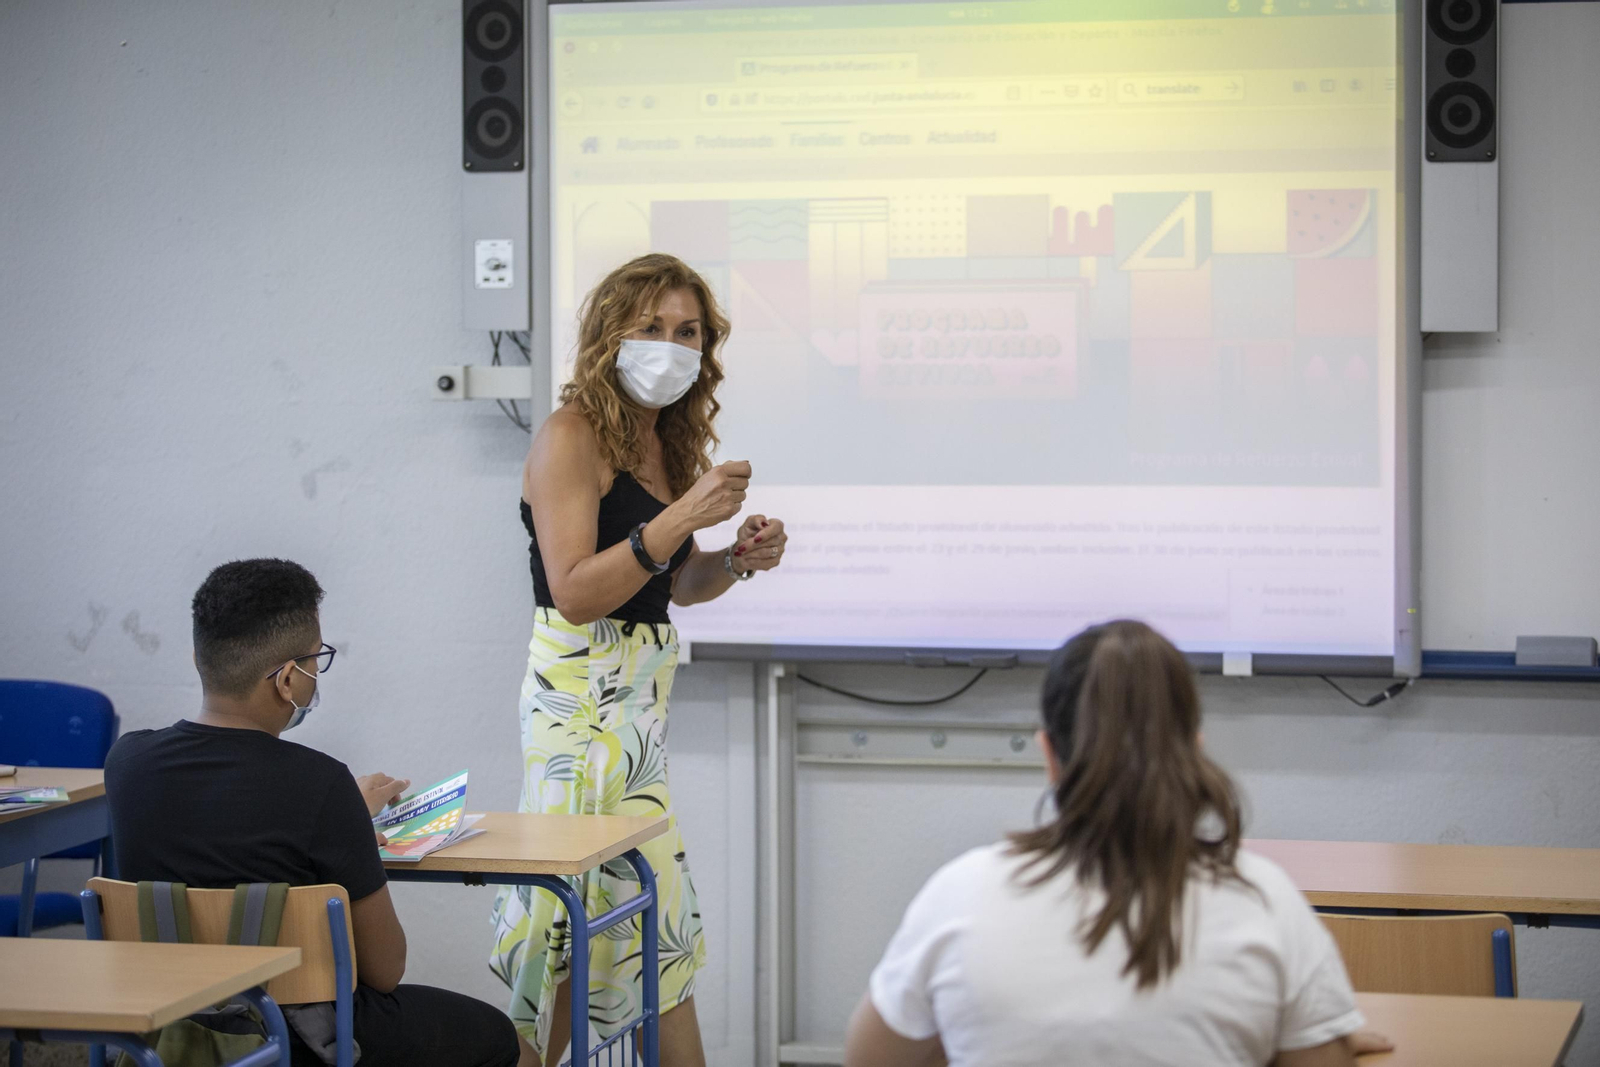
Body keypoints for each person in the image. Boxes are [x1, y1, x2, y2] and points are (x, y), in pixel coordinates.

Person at [844, 620, 1393, 1067]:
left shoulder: (959, 895)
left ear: (1049, 756)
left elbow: (869, 1059)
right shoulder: (1264, 901)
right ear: (1192, 750)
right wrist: (1296, 1037)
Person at [490, 253, 786, 1067]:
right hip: (578, 711)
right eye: (651, 327)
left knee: (651, 929)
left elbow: (672, 584)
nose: (671, 345)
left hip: (637, 718)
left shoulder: (667, 437)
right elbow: (577, 591)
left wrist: (735, 559)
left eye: (688, 331)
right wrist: (681, 516)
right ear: (609, 335)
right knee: (568, 934)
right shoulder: (570, 435)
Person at [104, 558, 523, 1067]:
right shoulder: (322, 785)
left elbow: (225, 812)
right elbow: (385, 970)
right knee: (505, 1041)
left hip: (165, 1029)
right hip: (303, 1039)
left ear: (199, 657)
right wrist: (348, 819)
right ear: (287, 679)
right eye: (315, 662)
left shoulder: (126, 764)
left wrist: (343, 814)